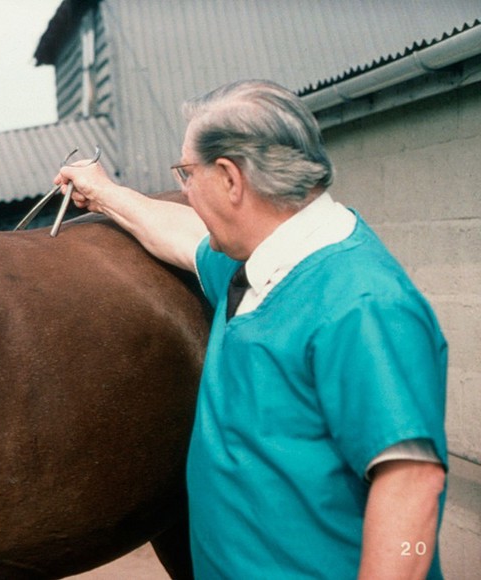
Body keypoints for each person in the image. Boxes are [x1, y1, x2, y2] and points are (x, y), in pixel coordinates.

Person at [55, 79, 448, 579]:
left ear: (229, 179)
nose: (184, 190)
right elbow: (181, 234)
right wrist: (106, 193)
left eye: (186, 174)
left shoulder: (361, 304)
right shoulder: (264, 260)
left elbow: (412, 486)